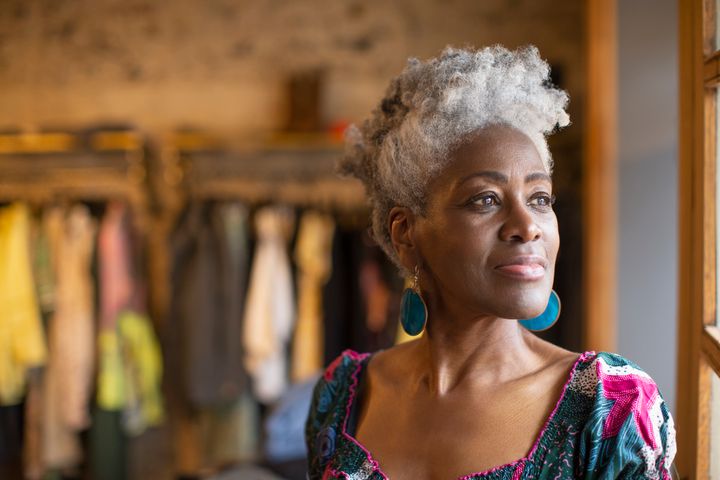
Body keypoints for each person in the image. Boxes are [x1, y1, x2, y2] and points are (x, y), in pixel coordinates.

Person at [304, 45, 676, 479]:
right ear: (406, 233)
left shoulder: (610, 410)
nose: (527, 226)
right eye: (486, 199)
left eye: (540, 199)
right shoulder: (342, 395)